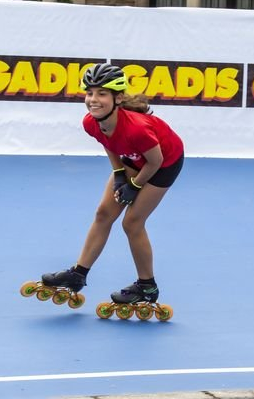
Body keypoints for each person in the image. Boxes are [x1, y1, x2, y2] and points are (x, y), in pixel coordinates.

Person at [40, 63, 184, 309]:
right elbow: (110, 142)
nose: (93, 100)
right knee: (103, 213)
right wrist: (119, 174)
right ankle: (78, 274)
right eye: (89, 93)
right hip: (135, 158)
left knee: (132, 223)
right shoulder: (91, 122)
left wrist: (134, 186)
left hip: (163, 162)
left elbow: (155, 161)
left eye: (102, 94)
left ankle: (147, 286)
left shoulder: (137, 128)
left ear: (118, 98)